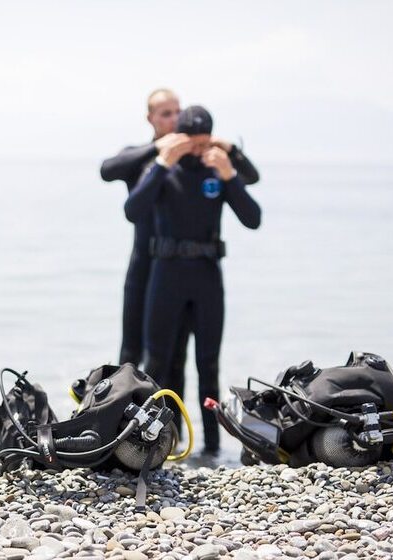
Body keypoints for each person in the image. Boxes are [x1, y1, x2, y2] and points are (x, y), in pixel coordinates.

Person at [124, 105, 261, 453]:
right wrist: (162, 163)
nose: (199, 151)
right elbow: (132, 210)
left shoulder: (216, 170)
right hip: (165, 275)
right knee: (156, 362)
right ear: (179, 139)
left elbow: (253, 218)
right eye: (193, 144)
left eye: (205, 143)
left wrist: (230, 174)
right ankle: (152, 442)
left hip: (206, 277)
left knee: (208, 364)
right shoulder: (163, 169)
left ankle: (212, 448)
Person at [100, 89, 260, 372]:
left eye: (177, 112)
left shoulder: (197, 163)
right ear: (150, 119)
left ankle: (175, 416)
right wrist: (160, 148)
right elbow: (107, 170)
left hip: (178, 270)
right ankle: (123, 412)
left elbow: (248, 179)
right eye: (166, 114)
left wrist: (230, 149)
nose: (174, 119)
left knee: (177, 357)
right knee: (131, 352)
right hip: (144, 267)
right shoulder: (144, 159)